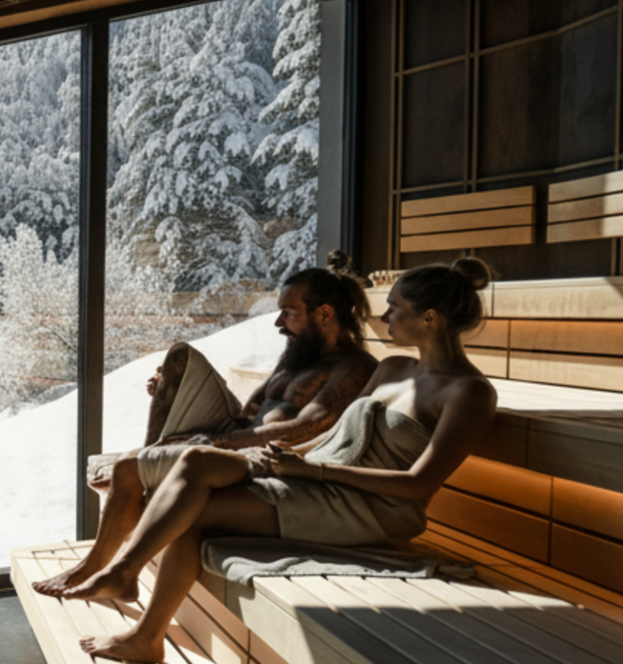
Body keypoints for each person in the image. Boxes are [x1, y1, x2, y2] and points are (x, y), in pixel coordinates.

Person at [67, 257, 500, 664]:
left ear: (430, 318)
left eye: (395, 308)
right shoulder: (393, 369)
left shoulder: (469, 393)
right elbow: (339, 435)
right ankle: (126, 578)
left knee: (191, 510)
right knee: (198, 462)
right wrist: (291, 456)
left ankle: (142, 626)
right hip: (321, 477)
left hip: (372, 508)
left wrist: (313, 470)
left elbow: (418, 486)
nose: (385, 317)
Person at [34, 253, 377, 597]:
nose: (278, 323)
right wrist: (175, 392)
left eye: (288, 313)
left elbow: (308, 426)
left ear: (325, 314)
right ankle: (151, 461)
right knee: (179, 359)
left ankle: (97, 568)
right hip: (238, 435)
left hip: (263, 459)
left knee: (126, 469)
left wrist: (220, 441)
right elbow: (251, 410)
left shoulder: (353, 367)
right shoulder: (298, 358)